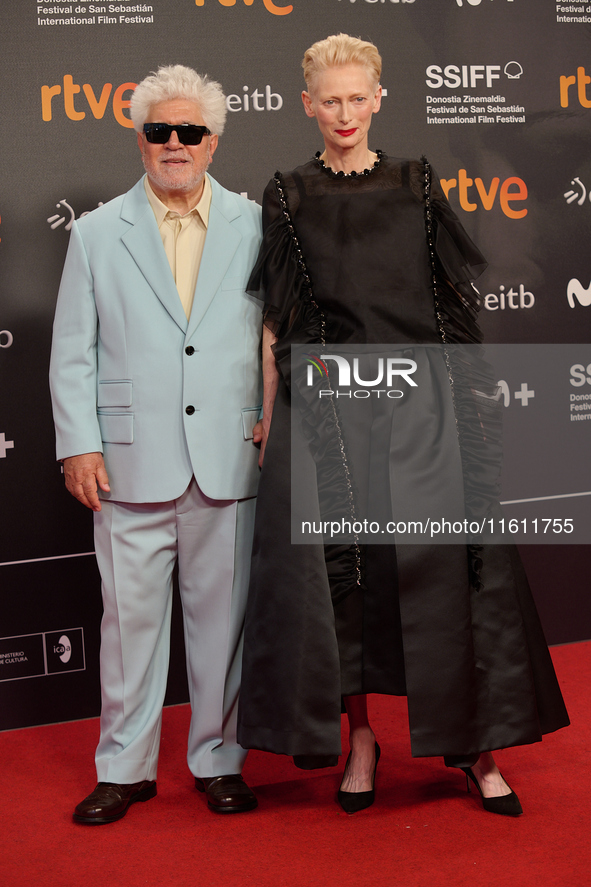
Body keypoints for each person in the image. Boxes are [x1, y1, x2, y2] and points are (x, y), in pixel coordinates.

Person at [237, 35, 569, 815]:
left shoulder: (418, 183)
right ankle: (359, 741)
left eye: (359, 97)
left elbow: (454, 311)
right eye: (331, 99)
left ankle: (476, 750)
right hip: (327, 411)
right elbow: (276, 323)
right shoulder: (287, 193)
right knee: (344, 580)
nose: (345, 113)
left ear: (378, 98)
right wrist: (264, 415)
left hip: (424, 404)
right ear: (307, 104)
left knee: (452, 569)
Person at [50, 64, 263, 823]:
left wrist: (271, 413)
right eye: (159, 131)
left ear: (211, 143)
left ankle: (218, 760)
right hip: (128, 465)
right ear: (141, 138)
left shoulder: (257, 224)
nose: (174, 144)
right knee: (127, 626)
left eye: (190, 132)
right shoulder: (97, 232)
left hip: (229, 457)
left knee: (224, 629)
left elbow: (274, 336)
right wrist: (78, 443)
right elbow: (73, 349)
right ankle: (125, 766)